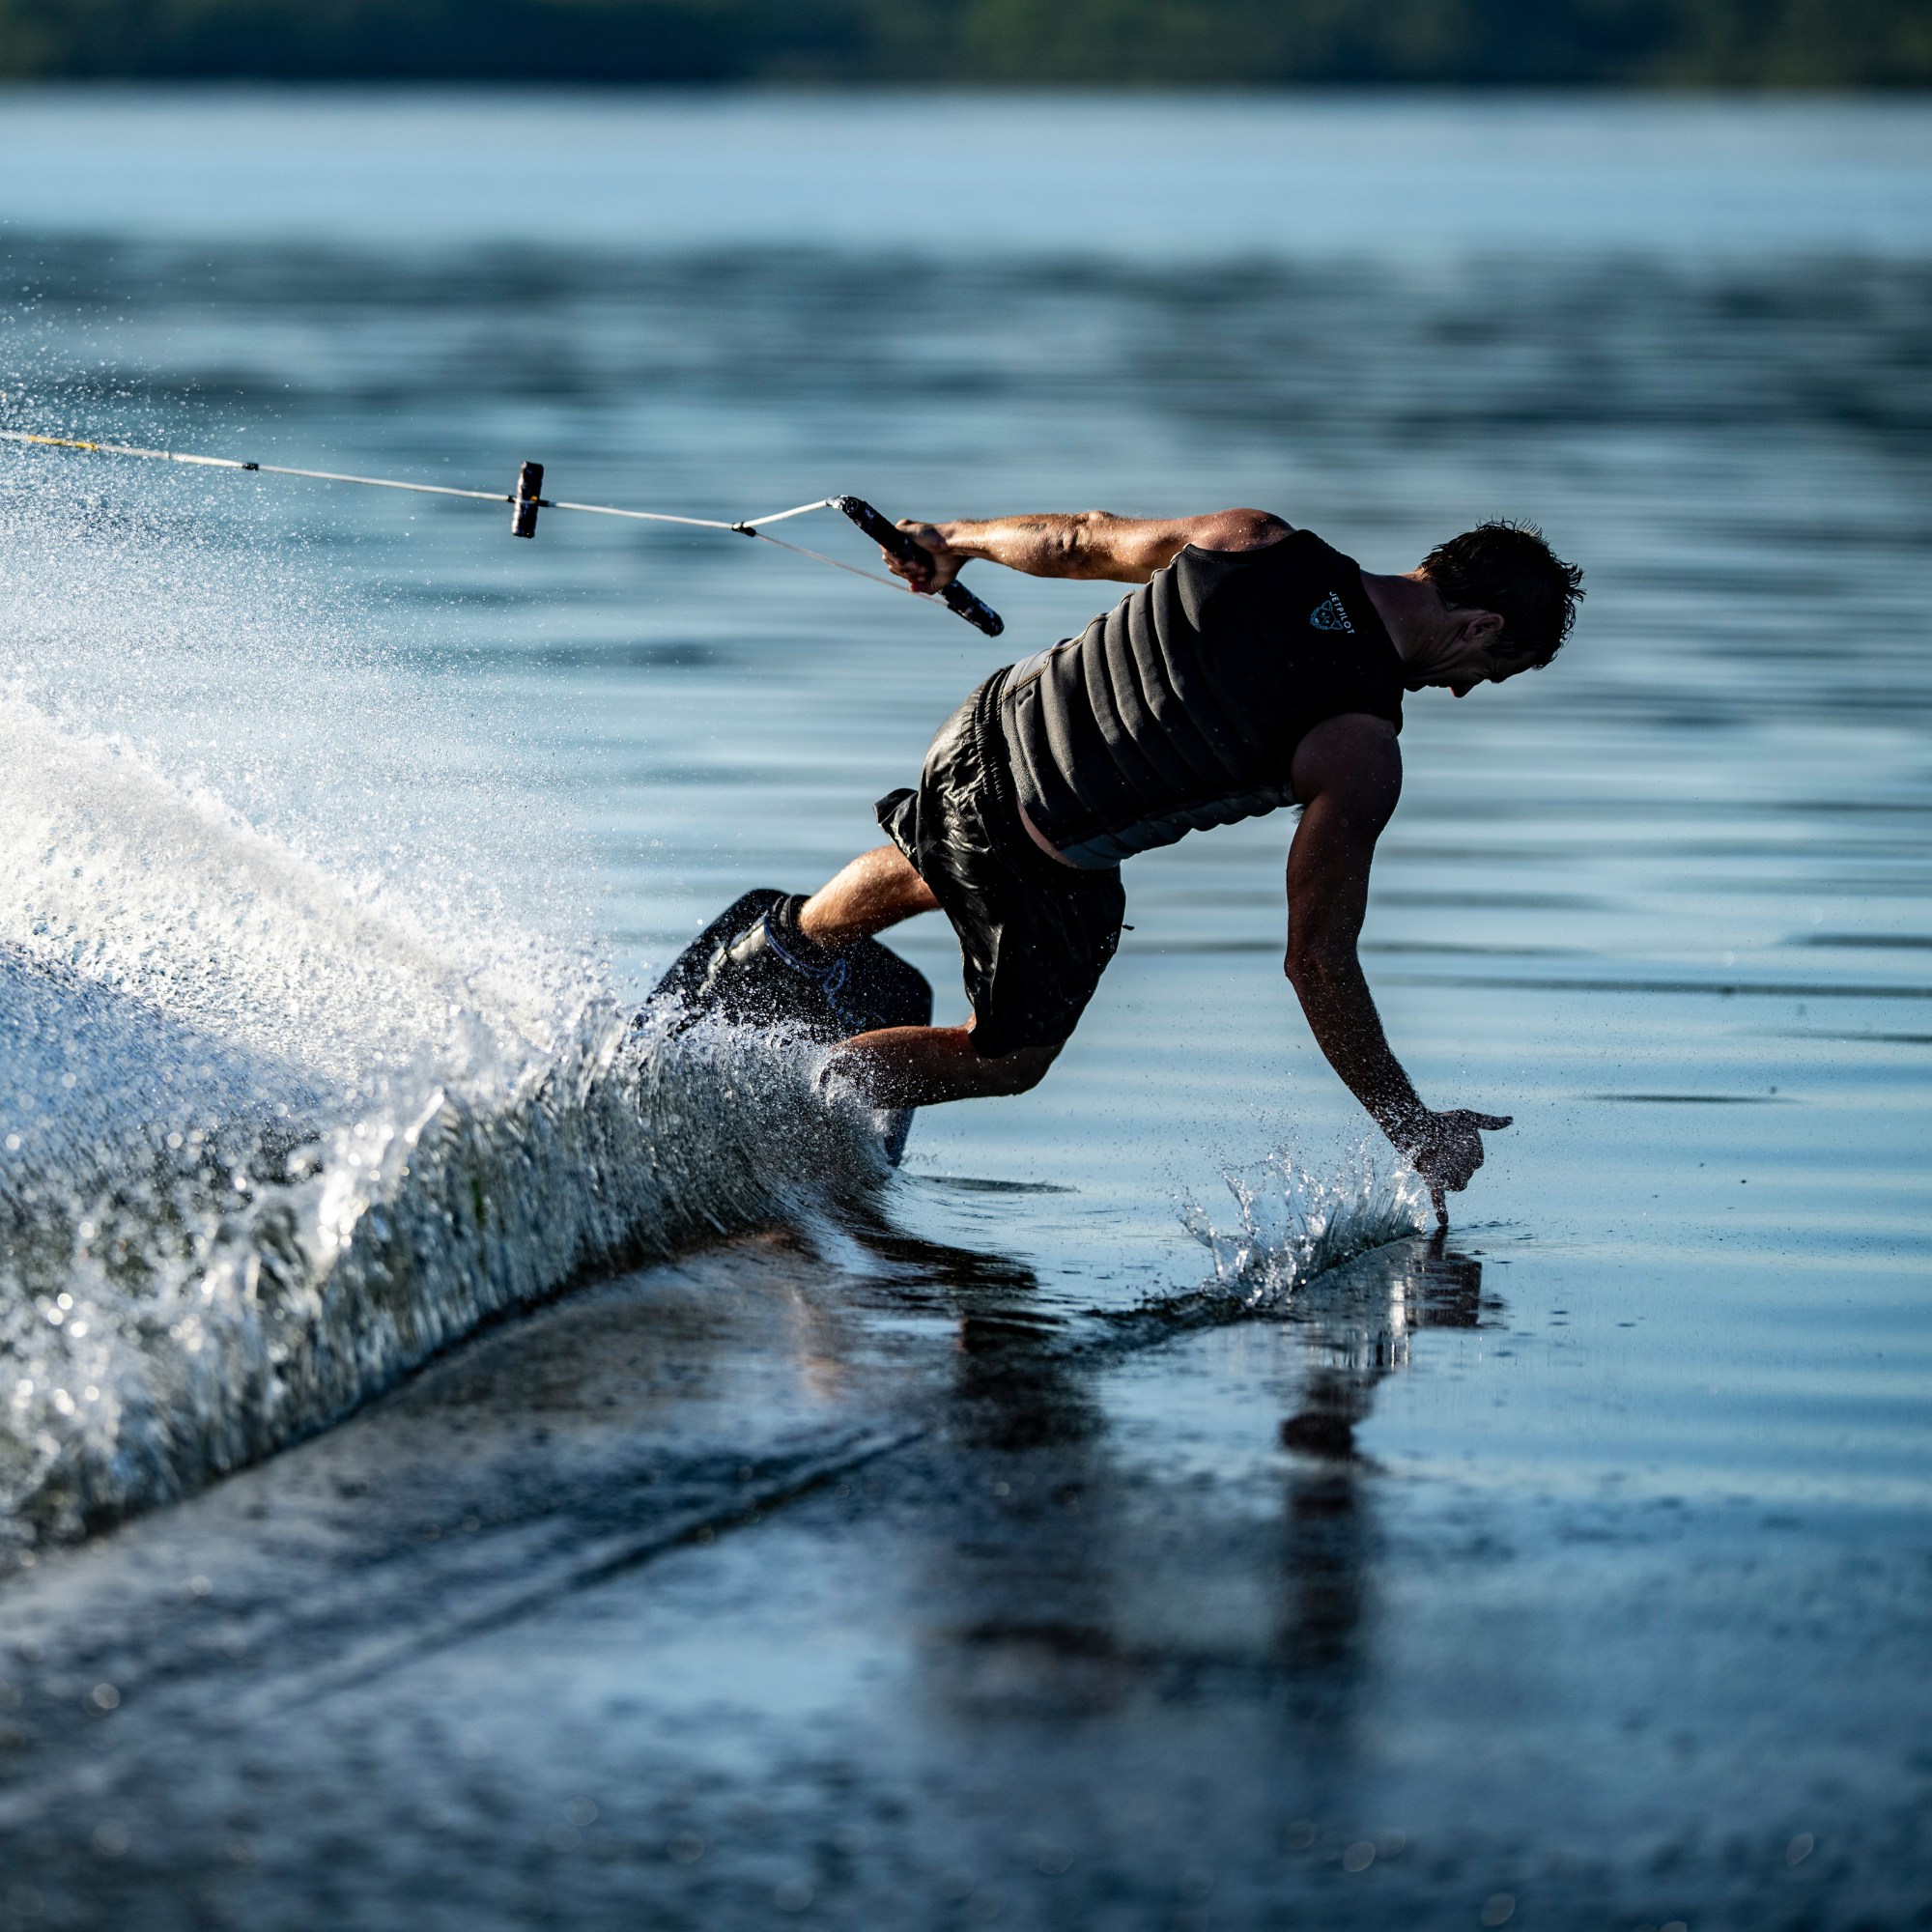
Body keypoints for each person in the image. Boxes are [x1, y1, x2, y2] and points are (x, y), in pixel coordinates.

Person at [699, 506, 1581, 1223]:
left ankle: (787, 944)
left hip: (977, 731)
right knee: (1010, 1057)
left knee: (957, 850)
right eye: (1485, 672)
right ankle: (788, 1100)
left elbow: (1081, 539)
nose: (1462, 691)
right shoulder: (1360, 747)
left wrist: (952, 543)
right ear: (1480, 624)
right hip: (1035, 846)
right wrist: (1410, 1126)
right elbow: (1315, 962)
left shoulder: (1256, 539)